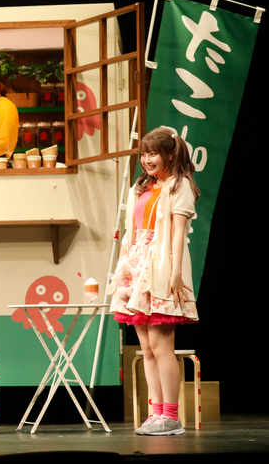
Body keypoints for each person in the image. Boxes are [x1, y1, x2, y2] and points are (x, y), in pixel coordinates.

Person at [108, 126, 201, 436]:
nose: (147, 160)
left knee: (162, 346)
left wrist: (175, 273)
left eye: (153, 154)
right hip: (137, 267)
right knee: (146, 348)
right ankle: (156, 412)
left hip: (160, 266)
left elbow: (178, 233)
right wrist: (124, 267)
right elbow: (132, 232)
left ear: (170, 155)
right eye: (144, 154)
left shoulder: (178, 185)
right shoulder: (142, 187)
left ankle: (171, 416)